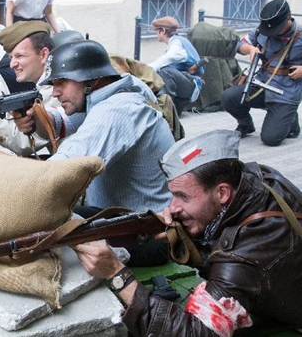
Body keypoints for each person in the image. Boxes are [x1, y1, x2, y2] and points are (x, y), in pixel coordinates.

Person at [73, 129, 302, 336]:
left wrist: (117, 274)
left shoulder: (244, 255)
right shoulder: (255, 179)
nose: (172, 208)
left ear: (222, 192)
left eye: (183, 196)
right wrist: (186, 239)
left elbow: (194, 333)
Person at [0, 39, 174, 213]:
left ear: (91, 80)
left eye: (61, 83)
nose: (55, 92)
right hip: (122, 213)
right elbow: (60, 123)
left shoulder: (117, 111)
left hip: (144, 229)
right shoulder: (118, 88)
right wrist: (34, 119)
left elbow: (52, 177)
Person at [221, 0, 302, 146]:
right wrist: (250, 49)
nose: (273, 32)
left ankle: (291, 120)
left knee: (270, 139)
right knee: (229, 97)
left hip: (286, 93)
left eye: (277, 28)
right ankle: (246, 125)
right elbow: (240, 44)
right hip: (262, 85)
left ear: (289, 17)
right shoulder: (262, 30)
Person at [149, 16, 204, 115]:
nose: (156, 34)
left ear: (163, 31)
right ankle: (169, 106)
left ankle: (168, 107)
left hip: (191, 84)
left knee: (164, 71)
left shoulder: (177, 43)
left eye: (157, 31)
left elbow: (167, 58)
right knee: (162, 71)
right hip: (186, 83)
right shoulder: (176, 42)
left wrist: (146, 69)